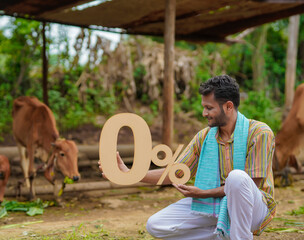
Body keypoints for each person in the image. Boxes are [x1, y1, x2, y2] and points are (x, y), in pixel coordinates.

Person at [99, 75, 276, 240]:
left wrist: (204, 193)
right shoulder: (204, 137)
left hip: (253, 210)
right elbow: (175, 172)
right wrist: (129, 173)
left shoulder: (259, 133)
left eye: (209, 108)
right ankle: (221, 234)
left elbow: (251, 183)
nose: (204, 113)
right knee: (156, 225)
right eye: (204, 107)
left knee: (237, 178)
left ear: (229, 106)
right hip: (213, 205)